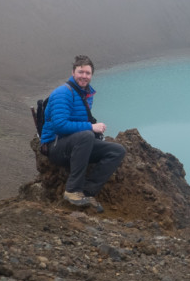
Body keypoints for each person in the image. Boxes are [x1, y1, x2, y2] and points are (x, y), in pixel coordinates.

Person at [40, 55, 126, 211]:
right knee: (87, 134)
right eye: (81, 72)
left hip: (76, 144)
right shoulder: (63, 93)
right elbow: (60, 126)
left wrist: (92, 129)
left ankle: (86, 192)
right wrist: (91, 127)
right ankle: (72, 191)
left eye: (88, 73)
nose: (84, 76)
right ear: (73, 72)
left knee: (117, 151)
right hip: (56, 146)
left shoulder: (85, 94)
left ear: (91, 75)